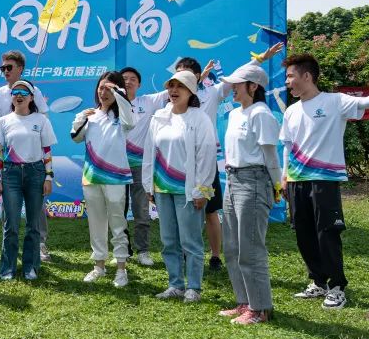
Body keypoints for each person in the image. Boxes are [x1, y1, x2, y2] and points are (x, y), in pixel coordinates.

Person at [280, 53, 369, 309]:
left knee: (327, 233)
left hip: (324, 180)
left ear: (307, 76)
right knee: (304, 234)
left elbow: (366, 103)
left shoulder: (335, 101)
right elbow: (288, 146)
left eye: (290, 76)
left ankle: (337, 287)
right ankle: (318, 282)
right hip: (297, 181)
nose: (287, 82)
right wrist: (284, 176)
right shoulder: (291, 111)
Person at [171, 44, 283, 272]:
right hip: (180, 163)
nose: (181, 81)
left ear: (198, 76)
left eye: (187, 75)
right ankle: (186, 252)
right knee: (184, 210)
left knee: (210, 210)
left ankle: (215, 256)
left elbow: (239, 77)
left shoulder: (211, 93)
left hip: (205, 163)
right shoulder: (172, 99)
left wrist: (260, 59)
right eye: (178, 75)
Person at [142, 70, 217, 303]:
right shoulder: (159, 117)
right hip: (162, 188)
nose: (174, 91)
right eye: (171, 86)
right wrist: (149, 185)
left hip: (188, 191)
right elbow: (149, 152)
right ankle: (175, 284)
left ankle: (194, 287)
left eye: (180, 86)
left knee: (190, 241)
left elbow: (206, 155)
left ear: (191, 91)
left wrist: (202, 189)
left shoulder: (199, 118)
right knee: (168, 241)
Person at [218, 62, 282, 325]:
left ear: (253, 87)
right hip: (232, 180)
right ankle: (244, 303)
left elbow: (271, 156)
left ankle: (260, 309)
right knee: (232, 247)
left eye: (238, 84)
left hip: (254, 181)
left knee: (251, 248)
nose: (232, 89)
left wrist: (277, 186)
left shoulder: (261, 114)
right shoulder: (235, 113)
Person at [0, 50, 51, 262]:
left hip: (32, 158)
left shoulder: (34, 90)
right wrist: (8, 123)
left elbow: (43, 117)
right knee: (7, 204)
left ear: (20, 69)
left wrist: (23, 120)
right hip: (8, 156)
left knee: (36, 205)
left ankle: (40, 244)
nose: (5, 71)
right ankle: (9, 246)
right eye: (2, 68)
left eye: (9, 67)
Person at [71, 71, 134, 287]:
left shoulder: (123, 116)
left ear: (118, 91)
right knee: (96, 223)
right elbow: (76, 137)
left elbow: (130, 121)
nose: (103, 92)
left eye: (109, 88)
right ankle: (99, 265)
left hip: (116, 178)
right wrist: (81, 118)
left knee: (118, 223)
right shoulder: (90, 116)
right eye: (101, 88)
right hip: (91, 177)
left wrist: (119, 94)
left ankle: (121, 269)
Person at [0, 79, 56, 281]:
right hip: (10, 174)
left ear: (31, 97)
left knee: (33, 225)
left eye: (23, 92)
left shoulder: (41, 120)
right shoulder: (4, 121)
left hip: (35, 173)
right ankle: (7, 268)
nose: (19, 96)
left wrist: (48, 176)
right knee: (11, 224)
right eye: (15, 92)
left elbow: (47, 150)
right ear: (11, 97)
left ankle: (31, 267)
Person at [119, 66, 168, 267]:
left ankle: (143, 251)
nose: (128, 81)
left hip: (140, 166)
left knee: (141, 210)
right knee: (118, 211)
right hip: (117, 166)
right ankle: (122, 250)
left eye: (133, 79)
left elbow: (177, 87)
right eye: (124, 78)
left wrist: (198, 76)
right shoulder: (112, 104)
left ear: (139, 84)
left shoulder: (147, 102)